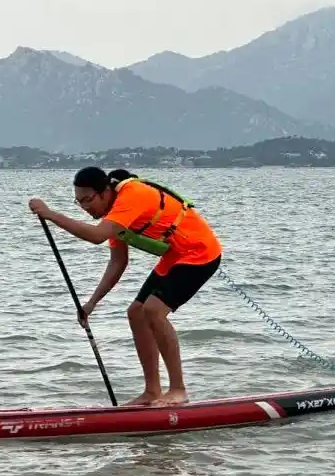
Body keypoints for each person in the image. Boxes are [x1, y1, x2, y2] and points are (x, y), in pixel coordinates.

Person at [28, 167, 222, 406]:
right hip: (175, 256)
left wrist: (51, 214)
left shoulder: (132, 196)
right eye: (79, 202)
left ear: (106, 192)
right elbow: (118, 262)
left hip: (200, 253)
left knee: (153, 311)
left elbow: (96, 236)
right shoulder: (116, 215)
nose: (86, 207)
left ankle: (178, 390)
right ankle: (152, 391)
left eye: (88, 200)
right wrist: (91, 304)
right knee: (136, 313)